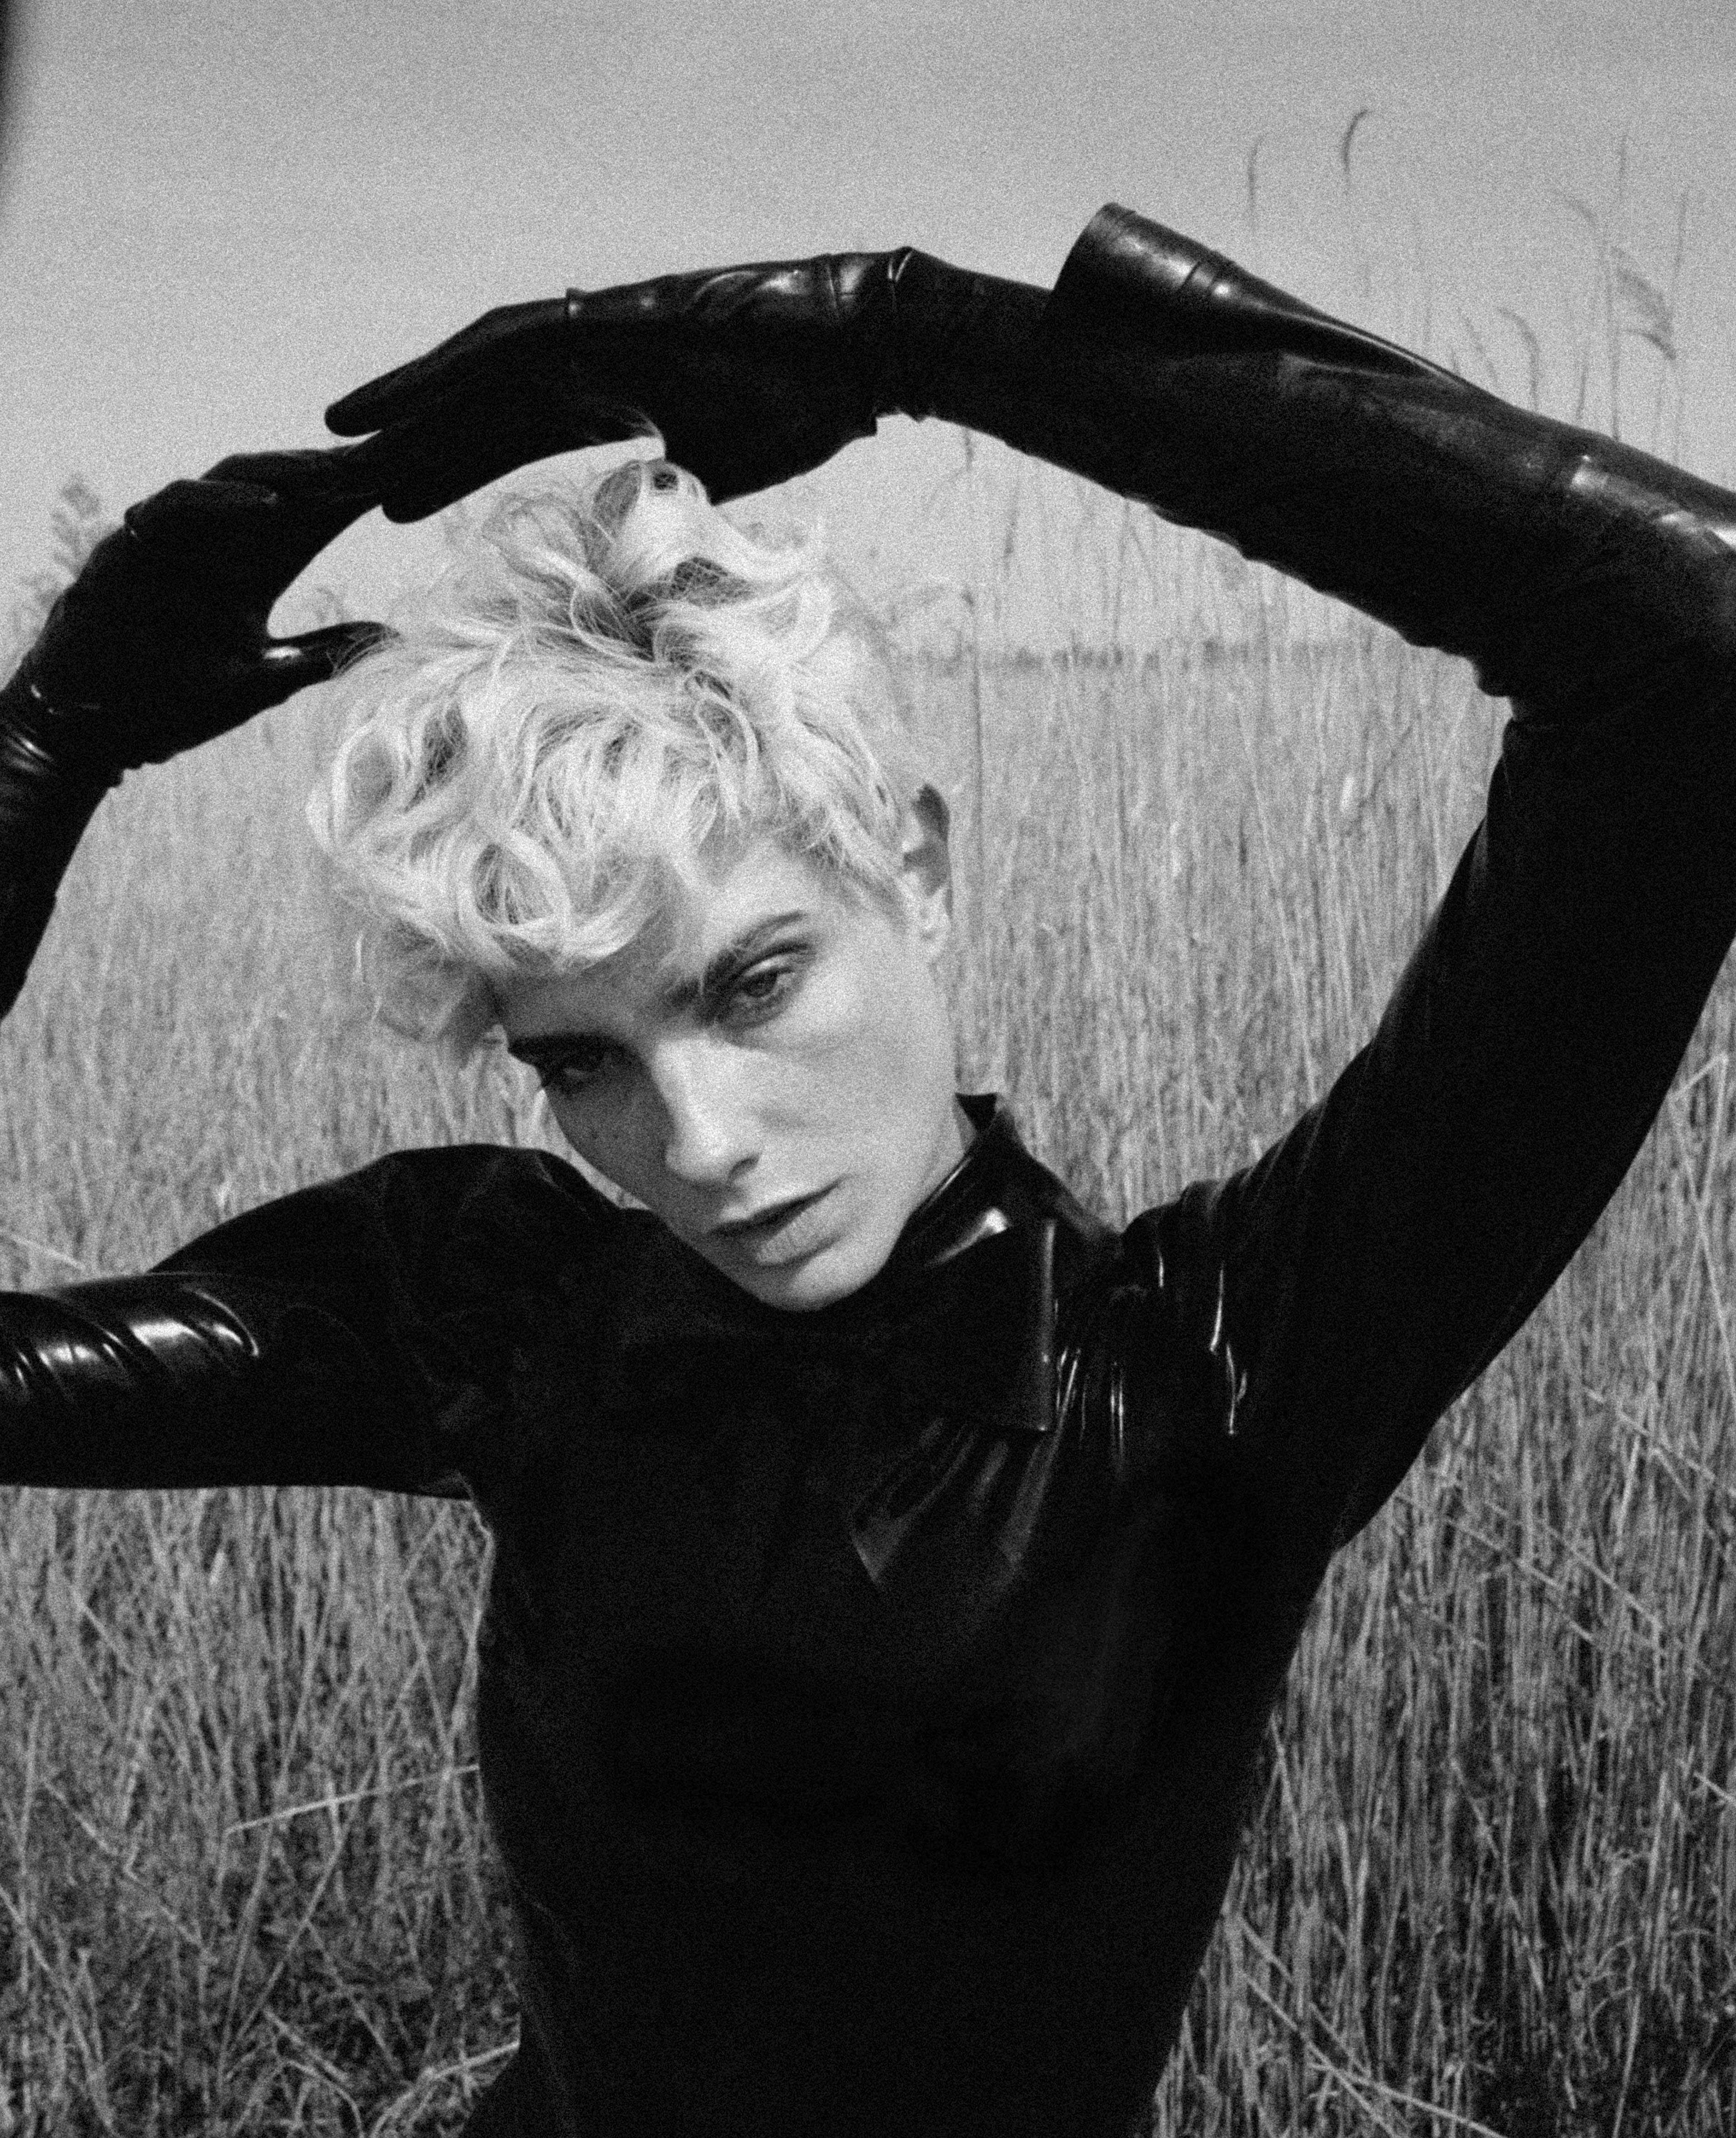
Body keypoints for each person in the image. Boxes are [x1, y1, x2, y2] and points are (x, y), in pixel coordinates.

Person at [2, 203, 1733, 2137]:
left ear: (911, 858)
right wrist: (44, 750)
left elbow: (1693, 656)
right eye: (581, 1059)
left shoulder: (1212, 1387)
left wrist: (929, 340)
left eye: (752, 979)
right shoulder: (501, 1311)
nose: (704, 1145)